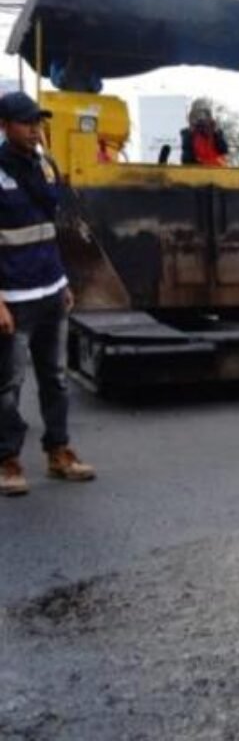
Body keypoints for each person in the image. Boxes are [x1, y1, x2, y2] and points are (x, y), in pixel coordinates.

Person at [0, 92, 95, 496]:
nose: (35, 128)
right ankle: (7, 461)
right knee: (8, 386)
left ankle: (58, 452)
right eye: (26, 122)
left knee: (55, 379)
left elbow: (49, 230)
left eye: (38, 121)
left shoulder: (46, 166)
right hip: (14, 298)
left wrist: (64, 282)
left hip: (51, 290)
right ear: (4, 125)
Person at [180, 98, 228, 166]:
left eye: (204, 114)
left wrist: (215, 132)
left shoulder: (216, 132)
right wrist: (189, 134)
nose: (201, 118)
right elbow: (186, 159)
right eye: (197, 115)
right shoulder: (189, 134)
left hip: (216, 169)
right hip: (197, 170)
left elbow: (223, 150)